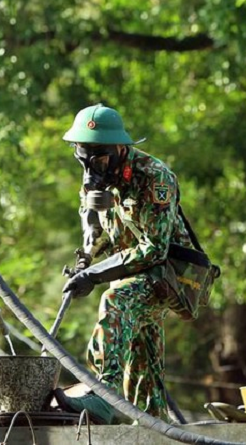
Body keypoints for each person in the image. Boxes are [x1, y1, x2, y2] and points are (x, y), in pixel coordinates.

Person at [53, 104, 197, 424]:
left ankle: (103, 393)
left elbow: (154, 250)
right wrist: (88, 251)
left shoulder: (154, 178)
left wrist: (96, 274)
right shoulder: (95, 177)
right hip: (130, 273)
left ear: (120, 149)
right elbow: (95, 224)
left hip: (166, 275)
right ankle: (152, 427)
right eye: (83, 158)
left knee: (116, 301)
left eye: (98, 158)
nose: (91, 168)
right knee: (143, 369)